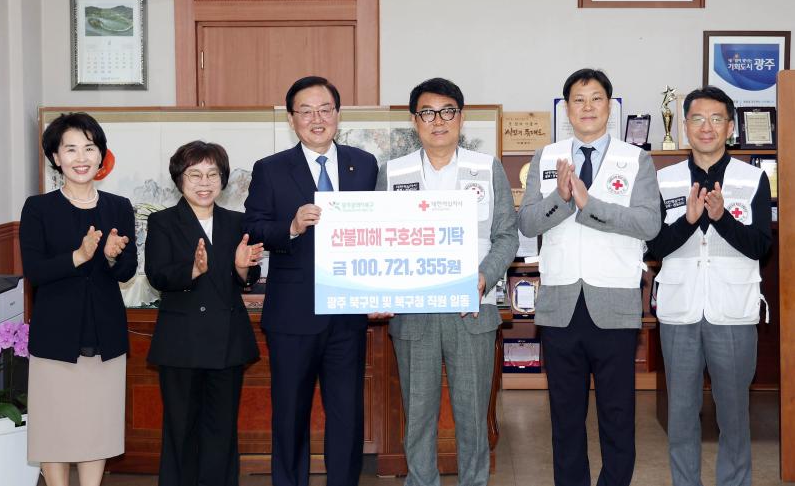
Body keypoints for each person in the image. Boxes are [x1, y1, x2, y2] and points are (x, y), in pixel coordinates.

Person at [518, 68, 661, 486]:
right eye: (578, 100)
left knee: (617, 414)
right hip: (560, 306)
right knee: (565, 416)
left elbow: (649, 223)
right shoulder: (546, 157)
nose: (587, 107)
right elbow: (527, 222)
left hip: (613, 305)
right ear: (566, 109)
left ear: (609, 107)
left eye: (596, 98)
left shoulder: (635, 159)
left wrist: (589, 204)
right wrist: (562, 199)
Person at [375, 77, 518, 486]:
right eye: (428, 112)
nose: (438, 121)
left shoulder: (486, 168)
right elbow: (379, 238)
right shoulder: (393, 172)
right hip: (413, 314)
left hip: (471, 310)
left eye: (447, 111)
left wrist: (484, 276)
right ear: (414, 120)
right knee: (418, 415)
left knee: (472, 415)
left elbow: (506, 235)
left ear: (461, 116)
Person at [243, 75, 378, 486]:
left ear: (338, 114)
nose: (316, 119)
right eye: (306, 111)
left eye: (324, 110)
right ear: (291, 118)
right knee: (290, 414)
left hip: (347, 313)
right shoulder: (270, 169)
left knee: (347, 415)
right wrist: (292, 226)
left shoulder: (364, 164)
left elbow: (378, 231)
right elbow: (253, 227)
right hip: (292, 315)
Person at [647, 86, 771, 486]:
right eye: (698, 119)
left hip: (732, 312)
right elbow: (653, 247)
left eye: (716, 119)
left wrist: (722, 218)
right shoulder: (664, 180)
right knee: (681, 414)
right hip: (679, 311)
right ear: (685, 126)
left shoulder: (752, 179)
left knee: (733, 414)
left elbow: (761, 247)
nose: (706, 127)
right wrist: (688, 221)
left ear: (730, 128)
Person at [20, 112, 137, 486]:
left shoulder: (119, 206)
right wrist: (79, 255)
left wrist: (112, 257)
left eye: (89, 147)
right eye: (70, 149)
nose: (81, 157)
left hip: (105, 336)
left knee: (96, 430)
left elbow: (127, 271)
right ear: (56, 157)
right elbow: (35, 272)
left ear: (101, 154)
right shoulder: (38, 208)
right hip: (55, 336)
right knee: (54, 432)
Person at [145, 141, 264, 486]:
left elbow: (248, 276)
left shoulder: (237, 222)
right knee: (180, 428)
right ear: (179, 179)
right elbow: (157, 274)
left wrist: (242, 267)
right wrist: (193, 270)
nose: (204, 182)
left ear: (222, 179)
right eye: (195, 174)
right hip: (181, 343)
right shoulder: (163, 221)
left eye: (212, 174)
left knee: (222, 429)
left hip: (227, 341)